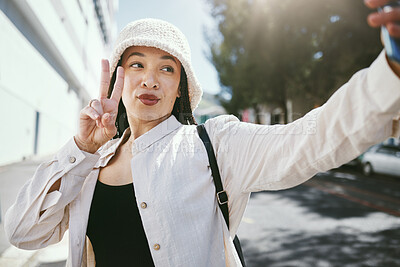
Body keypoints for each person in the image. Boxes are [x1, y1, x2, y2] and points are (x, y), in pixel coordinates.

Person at [4, 1, 400, 266]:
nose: (150, 80)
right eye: (137, 64)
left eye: (166, 68)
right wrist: (81, 149)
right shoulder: (90, 165)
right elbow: (23, 232)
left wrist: (392, 69)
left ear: (180, 88)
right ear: (118, 81)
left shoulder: (215, 145)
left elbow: (310, 140)